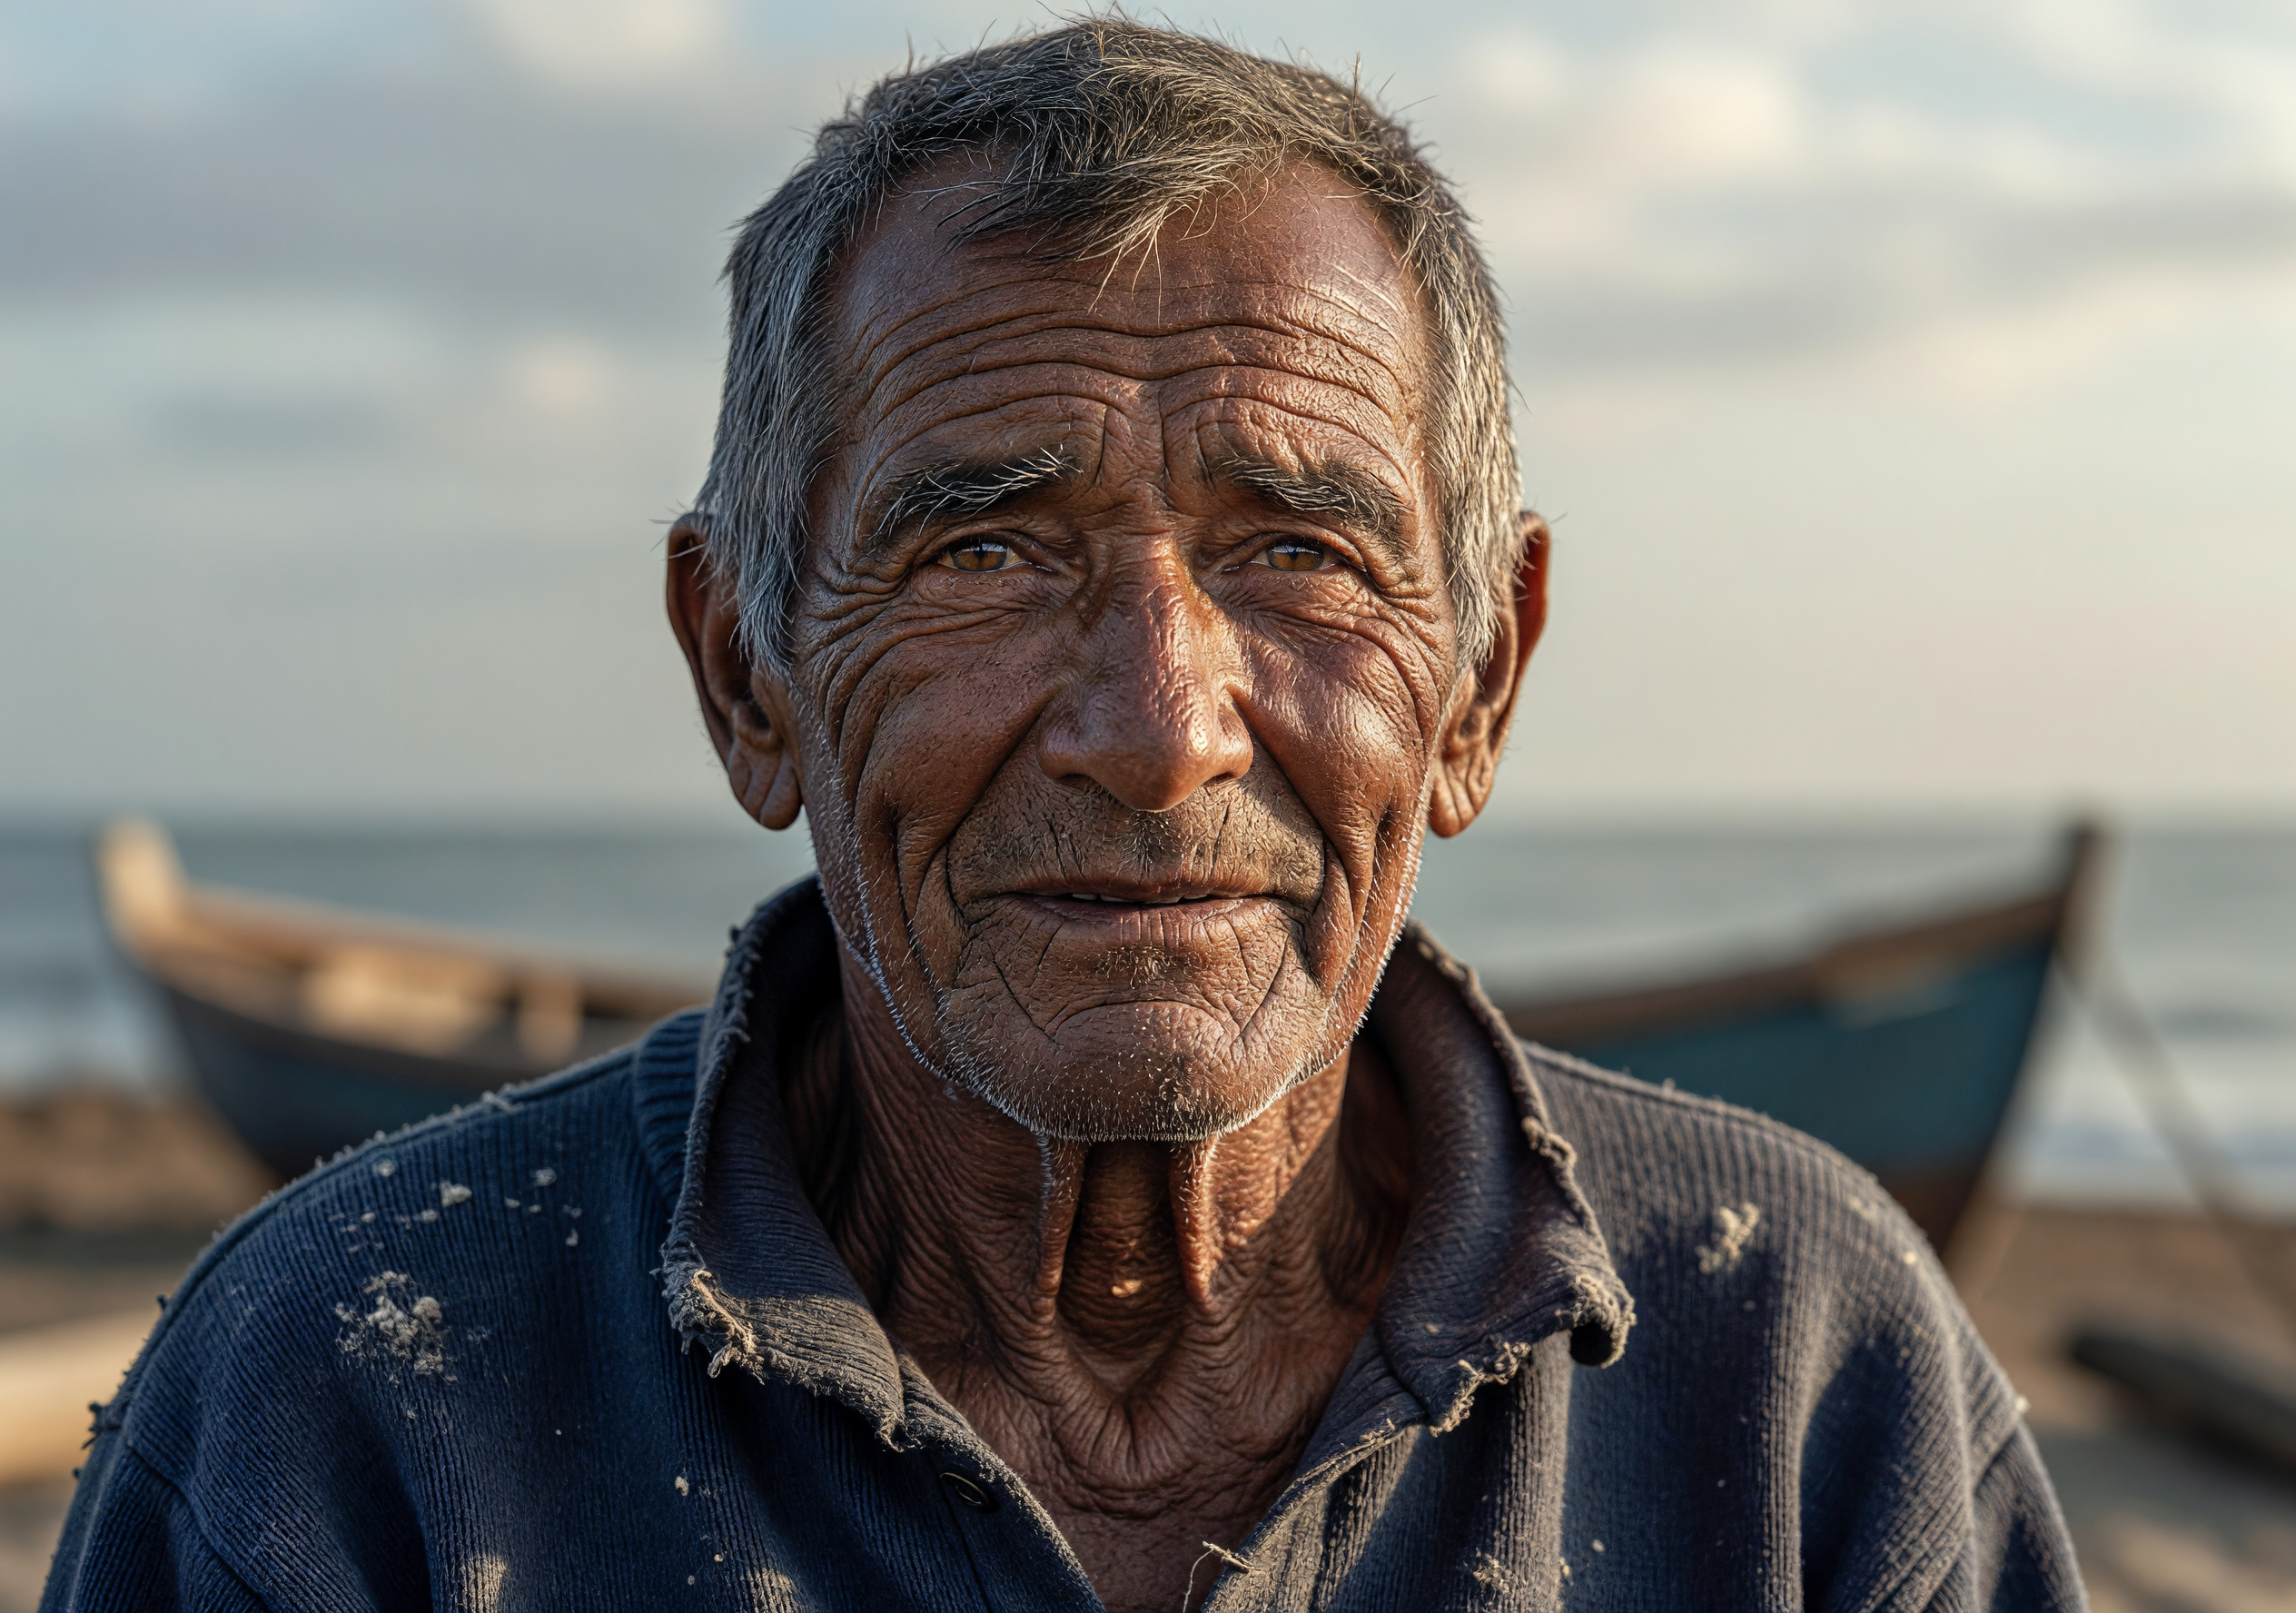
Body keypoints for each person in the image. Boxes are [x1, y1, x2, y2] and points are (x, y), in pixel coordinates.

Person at [44, 20, 2083, 1612]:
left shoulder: (1801, 1372)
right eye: (984, 554)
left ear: (1483, 681)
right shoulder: (344, 1393)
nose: (1155, 728)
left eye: (1297, 550)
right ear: (742, 674)